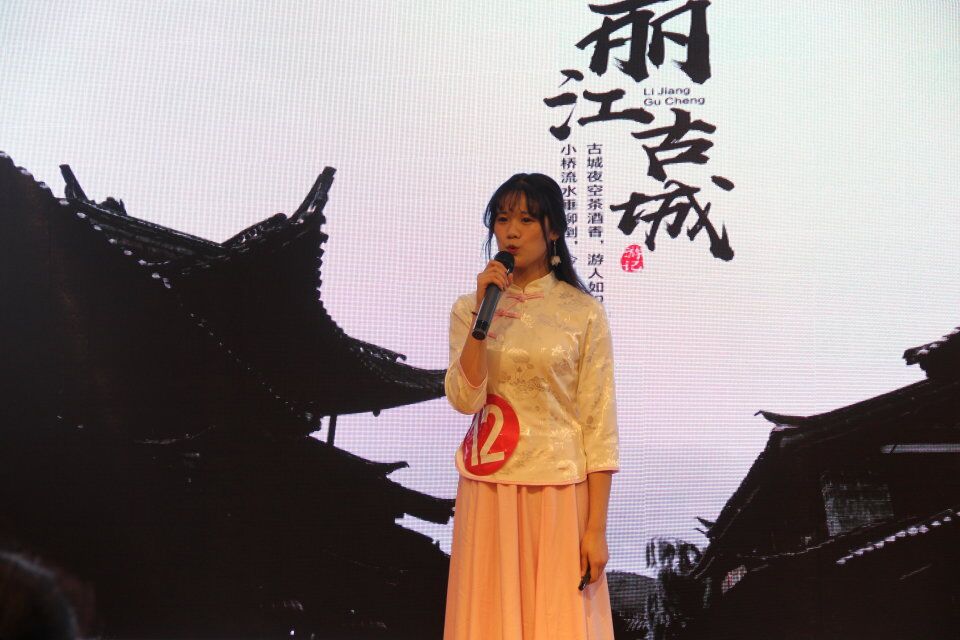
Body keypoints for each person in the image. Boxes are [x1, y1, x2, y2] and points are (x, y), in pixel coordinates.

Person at [443, 173, 619, 640]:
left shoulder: (582, 312)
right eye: (502, 220)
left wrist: (596, 529)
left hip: (558, 492)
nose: (511, 232)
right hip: (487, 488)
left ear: (553, 229)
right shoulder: (469, 308)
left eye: (525, 220)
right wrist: (481, 318)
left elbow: (599, 426)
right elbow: (464, 399)